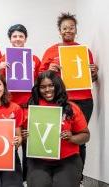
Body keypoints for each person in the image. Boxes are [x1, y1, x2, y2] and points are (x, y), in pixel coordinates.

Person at [39, 12, 98, 170]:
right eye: (64, 28)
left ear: (76, 30)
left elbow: (91, 79)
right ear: (60, 31)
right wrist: (49, 69)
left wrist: (94, 73)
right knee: (60, 138)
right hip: (60, 100)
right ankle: (59, 173)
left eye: (71, 27)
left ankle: (78, 179)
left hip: (84, 100)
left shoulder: (84, 51)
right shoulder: (51, 51)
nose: (68, 30)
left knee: (79, 139)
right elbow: (40, 77)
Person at [23, 70, 90, 187]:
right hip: (39, 161)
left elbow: (86, 135)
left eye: (51, 85)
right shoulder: (31, 108)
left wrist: (72, 138)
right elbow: (22, 136)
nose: (47, 90)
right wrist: (24, 136)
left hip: (68, 160)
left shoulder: (71, 107)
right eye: (43, 87)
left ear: (58, 86)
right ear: (38, 89)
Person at [0, 24, 41, 181]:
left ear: (25, 39)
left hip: (29, 107)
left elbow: (41, 82)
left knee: (28, 143)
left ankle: (28, 179)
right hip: (10, 107)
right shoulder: (3, 59)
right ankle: (14, 178)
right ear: (10, 39)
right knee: (12, 142)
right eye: (14, 36)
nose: (17, 39)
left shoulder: (34, 59)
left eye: (21, 36)